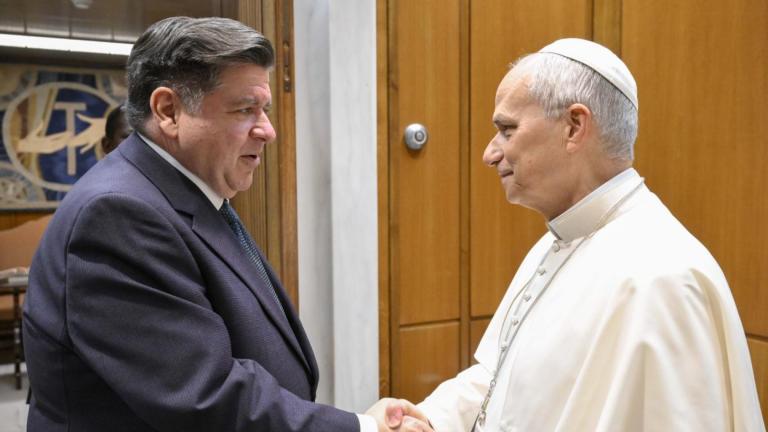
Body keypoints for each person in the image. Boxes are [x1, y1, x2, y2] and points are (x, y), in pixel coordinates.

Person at [23, 16, 430, 432]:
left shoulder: (186, 191)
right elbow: (204, 396)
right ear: (169, 111)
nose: (268, 130)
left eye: (265, 109)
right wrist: (363, 427)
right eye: (245, 109)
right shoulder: (118, 215)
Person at [375, 38, 765, 431]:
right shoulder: (558, 240)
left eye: (507, 131)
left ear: (574, 126)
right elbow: (502, 380)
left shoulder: (663, 279)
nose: (490, 154)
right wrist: (431, 419)